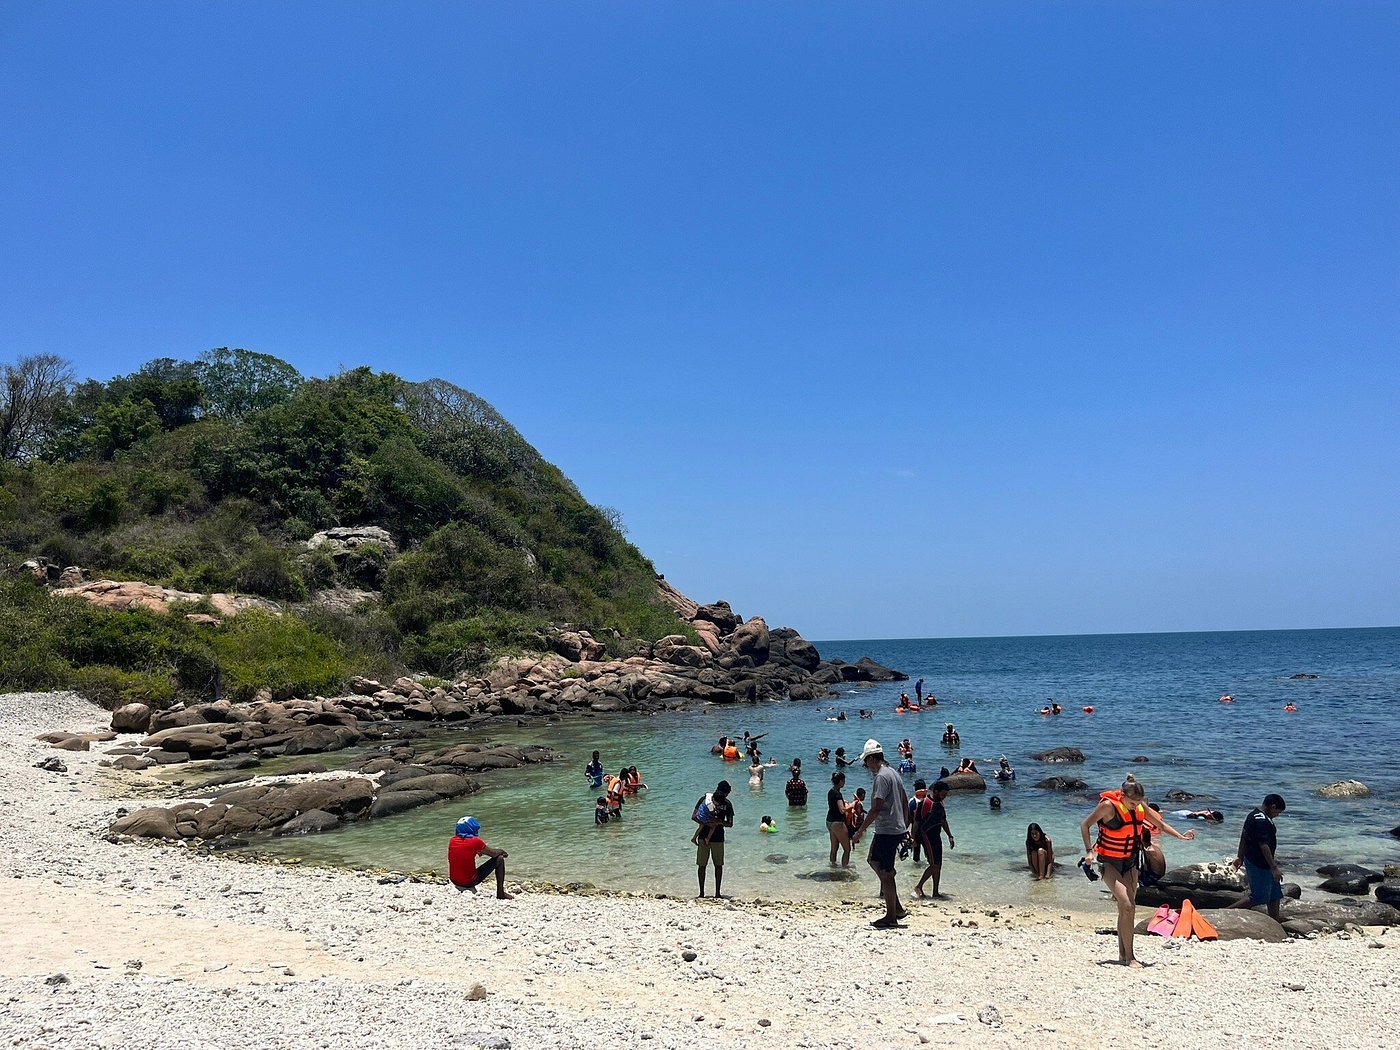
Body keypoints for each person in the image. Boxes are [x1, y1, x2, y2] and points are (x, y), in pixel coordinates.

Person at [1078, 775, 1195, 967]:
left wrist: (1181, 837)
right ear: (1122, 795)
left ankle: (1123, 955)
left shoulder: (1140, 806)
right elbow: (1085, 825)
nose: (1136, 806)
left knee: (1126, 909)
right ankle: (1131, 958)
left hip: (1131, 863)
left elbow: (1160, 825)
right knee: (1127, 905)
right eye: (1132, 802)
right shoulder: (1108, 806)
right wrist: (1089, 852)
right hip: (1109, 862)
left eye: (1139, 802)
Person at [850, 740, 910, 927]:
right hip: (895, 828)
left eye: (866, 761)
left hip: (887, 830)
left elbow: (875, 808)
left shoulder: (881, 777)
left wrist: (860, 830)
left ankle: (891, 917)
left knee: (885, 872)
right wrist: (905, 825)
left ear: (873, 759)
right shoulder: (894, 773)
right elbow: (905, 800)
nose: (866, 766)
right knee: (875, 862)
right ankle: (897, 908)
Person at [1229, 794, 1287, 921]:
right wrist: (1274, 867)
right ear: (1273, 807)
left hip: (1257, 859)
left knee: (1274, 894)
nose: (1278, 815)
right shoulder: (1262, 821)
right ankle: (1225, 912)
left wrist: (1240, 856)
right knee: (1259, 896)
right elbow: (1263, 845)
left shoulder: (1252, 815)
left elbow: (1244, 836)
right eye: (1278, 812)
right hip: (1259, 862)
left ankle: (1275, 922)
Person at [448, 816, 512, 899]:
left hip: (455, 881)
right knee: (499, 859)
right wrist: (502, 851)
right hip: (469, 882)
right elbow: (494, 854)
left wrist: (478, 850)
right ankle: (500, 893)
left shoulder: (452, 840)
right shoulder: (475, 841)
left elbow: (464, 850)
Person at [691, 780, 734, 898]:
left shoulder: (727, 804)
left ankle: (717, 893)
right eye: (725, 793)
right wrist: (708, 823)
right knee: (702, 865)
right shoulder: (704, 800)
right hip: (704, 836)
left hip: (718, 838)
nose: (726, 796)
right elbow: (694, 816)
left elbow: (730, 824)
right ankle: (701, 893)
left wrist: (718, 821)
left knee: (718, 865)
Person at [911, 779, 953, 898]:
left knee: (938, 864)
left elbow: (943, 820)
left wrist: (950, 836)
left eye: (945, 795)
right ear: (935, 791)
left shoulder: (940, 803)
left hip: (936, 836)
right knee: (934, 864)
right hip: (926, 836)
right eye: (943, 794)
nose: (944, 797)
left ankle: (935, 892)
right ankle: (918, 886)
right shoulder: (925, 803)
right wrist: (912, 838)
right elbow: (916, 822)